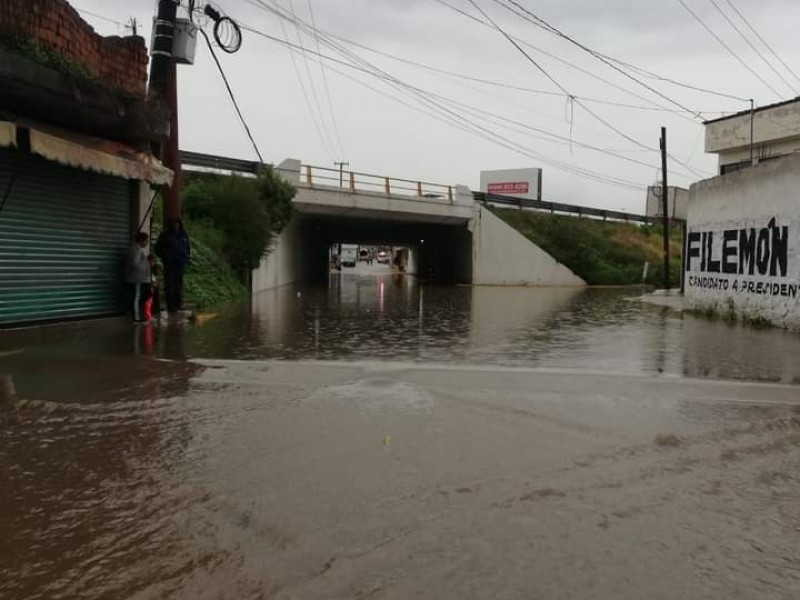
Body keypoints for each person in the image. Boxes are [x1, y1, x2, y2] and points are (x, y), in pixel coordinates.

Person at [155, 218, 191, 313]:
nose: (176, 225)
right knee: (170, 284)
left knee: (179, 284)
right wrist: (166, 257)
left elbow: (187, 247)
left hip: (180, 262)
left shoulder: (183, 234)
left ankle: (179, 303)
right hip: (170, 263)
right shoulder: (165, 235)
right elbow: (158, 249)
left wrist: (187, 258)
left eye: (177, 223)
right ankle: (171, 305)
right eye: (174, 223)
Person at [125, 232, 152, 323]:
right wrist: (145, 266)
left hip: (138, 278)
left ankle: (136, 315)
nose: (147, 243)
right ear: (141, 240)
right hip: (136, 278)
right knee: (136, 297)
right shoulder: (135, 249)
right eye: (146, 241)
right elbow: (134, 264)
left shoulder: (137, 249)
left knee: (138, 297)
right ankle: (136, 318)